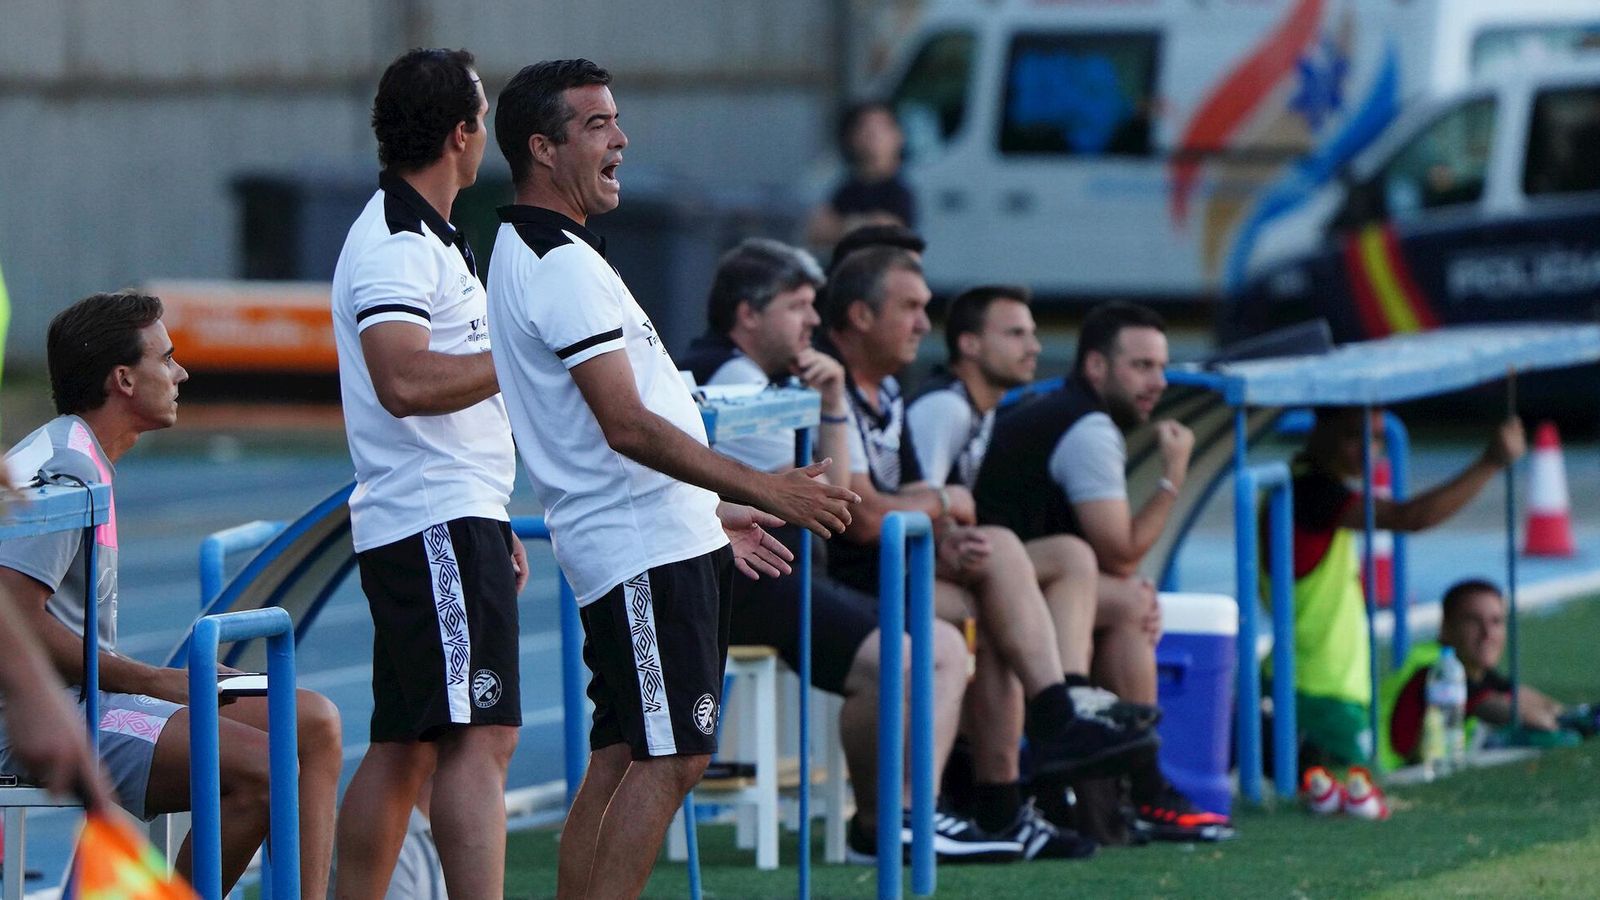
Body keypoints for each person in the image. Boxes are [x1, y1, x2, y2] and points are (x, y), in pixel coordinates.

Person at [487, 59, 857, 898]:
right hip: (640, 550)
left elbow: (609, 431)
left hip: (650, 536)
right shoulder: (557, 263)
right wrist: (765, 488)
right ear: (542, 148)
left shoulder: (540, 251)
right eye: (596, 125)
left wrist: (710, 507)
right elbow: (624, 424)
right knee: (675, 755)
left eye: (616, 120)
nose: (620, 139)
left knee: (626, 753)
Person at [680, 239, 1037, 863]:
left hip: (777, 574)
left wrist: (833, 405)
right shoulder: (733, 379)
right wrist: (838, 414)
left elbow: (831, 501)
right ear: (748, 314)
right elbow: (830, 505)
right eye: (798, 306)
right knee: (903, 656)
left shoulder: (766, 379)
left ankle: (912, 815)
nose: (813, 321)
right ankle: (886, 823)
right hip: (748, 579)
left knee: (944, 643)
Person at [0, 291, 342, 896]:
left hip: (86, 696)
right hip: (38, 714)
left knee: (313, 723)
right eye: (166, 358)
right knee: (263, 772)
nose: (181, 373)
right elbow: (15, 619)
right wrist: (154, 680)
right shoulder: (65, 469)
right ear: (124, 379)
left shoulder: (81, 452)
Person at [822, 245, 1157, 855]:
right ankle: (1044, 739)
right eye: (910, 308)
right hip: (855, 576)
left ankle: (1046, 745)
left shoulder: (895, 394)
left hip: (906, 564)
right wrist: (1172, 478)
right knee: (1021, 577)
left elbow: (914, 503)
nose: (923, 323)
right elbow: (870, 515)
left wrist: (943, 523)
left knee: (1060, 570)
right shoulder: (935, 405)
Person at [329, 48, 525, 900]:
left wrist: (495, 514)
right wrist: (521, 357)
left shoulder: (429, 234)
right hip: (433, 517)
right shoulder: (396, 244)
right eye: (483, 116)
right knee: (481, 738)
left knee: (405, 747)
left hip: (449, 513)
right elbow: (403, 380)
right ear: (460, 133)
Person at [964, 299, 1232, 841]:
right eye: (1141, 366)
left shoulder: (1062, 410)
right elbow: (1121, 552)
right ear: (1095, 366)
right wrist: (1172, 475)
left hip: (1008, 576)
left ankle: (1116, 798)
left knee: (1128, 604)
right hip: (984, 581)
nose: (1157, 382)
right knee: (1125, 596)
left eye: (1161, 367)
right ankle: (1131, 777)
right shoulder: (1087, 428)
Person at [1277, 407, 1524, 773]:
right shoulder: (1310, 493)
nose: (1369, 450)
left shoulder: (1304, 489)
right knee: (1355, 796)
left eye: (1377, 438)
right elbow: (1409, 517)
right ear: (1321, 430)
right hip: (1315, 691)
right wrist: (1491, 462)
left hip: (1323, 686)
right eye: (1354, 436)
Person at [1380, 579, 1594, 769]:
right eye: (1473, 621)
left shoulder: (1471, 666)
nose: (1487, 633)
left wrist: (1575, 716)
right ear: (1446, 628)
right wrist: (1575, 722)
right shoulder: (1438, 668)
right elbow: (1532, 719)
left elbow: (1541, 704)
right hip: (1384, 777)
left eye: (1496, 621)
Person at [807, 101, 918, 250]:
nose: (873, 135)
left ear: (899, 135)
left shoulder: (906, 185)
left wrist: (844, 226)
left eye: (881, 128)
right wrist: (865, 225)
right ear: (851, 138)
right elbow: (817, 232)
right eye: (864, 127)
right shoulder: (847, 189)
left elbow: (889, 232)